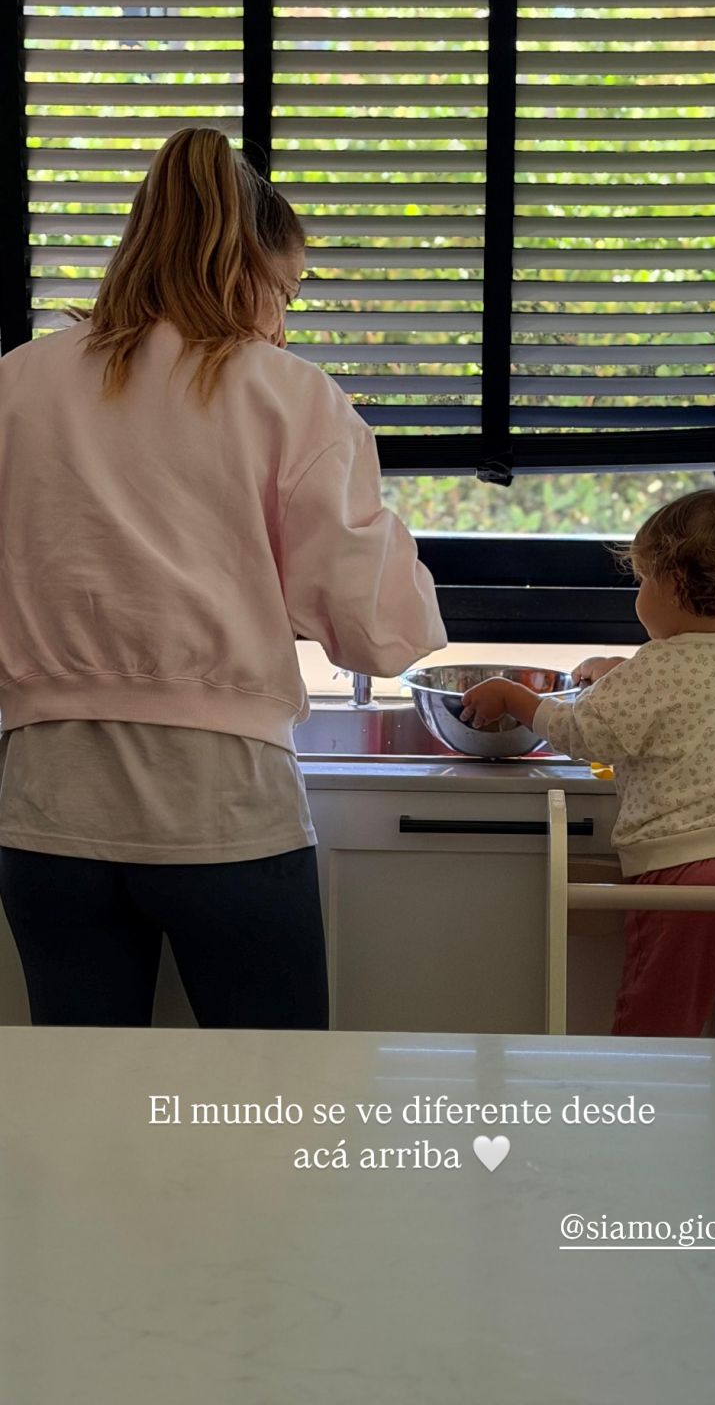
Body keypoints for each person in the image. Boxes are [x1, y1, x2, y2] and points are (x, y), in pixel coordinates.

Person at [0, 127, 447, 1029]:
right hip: (224, 809)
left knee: (85, 1119)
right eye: (283, 290)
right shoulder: (289, 394)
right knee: (271, 1112)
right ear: (243, 267)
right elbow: (379, 634)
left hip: (45, 808)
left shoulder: (16, 385)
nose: (283, 318)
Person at [461, 488, 715, 1039]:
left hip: (689, 881)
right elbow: (689, 690)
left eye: (643, 579)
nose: (640, 591)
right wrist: (620, 670)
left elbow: (584, 732)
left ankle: (645, 1125)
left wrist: (514, 696)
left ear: (675, 582)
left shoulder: (658, 668)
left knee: (657, 1035)